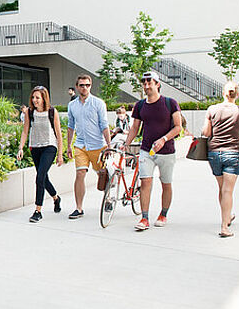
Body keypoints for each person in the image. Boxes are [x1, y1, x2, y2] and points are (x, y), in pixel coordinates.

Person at [122, 71, 182, 231]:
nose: (147, 85)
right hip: (146, 151)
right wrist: (126, 143)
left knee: (166, 183)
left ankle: (163, 214)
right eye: (144, 83)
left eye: (150, 82)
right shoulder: (140, 106)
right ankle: (144, 218)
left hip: (167, 151)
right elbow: (135, 127)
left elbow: (178, 127)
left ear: (158, 84)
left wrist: (163, 139)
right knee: (145, 182)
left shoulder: (170, 103)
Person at [201, 81, 239, 237]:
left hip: (215, 153)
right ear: (237, 95)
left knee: (222, 188)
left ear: (223, 93)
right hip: (233, 153)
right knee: (228, 190)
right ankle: (224, 227)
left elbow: (206, 132)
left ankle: (227, 215)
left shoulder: (212, 110)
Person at [65, 74, 111, 219]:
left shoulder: (98, 103)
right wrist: (69, 146)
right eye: (82, 85)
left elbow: (104, 125)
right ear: (77, 87)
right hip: (81, 146)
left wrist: (109, 145)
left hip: (98, 145)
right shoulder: (72, 105)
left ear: (90, 86)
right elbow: (71, 126)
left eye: (87, 85)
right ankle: (78, 208)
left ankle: (108, 198)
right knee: (80, 174)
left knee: (102, 176)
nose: (84, 88)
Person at [17, 86, 63, 223]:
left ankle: (38, 211)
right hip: (35, 147)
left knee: (40, 177)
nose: (34, 100)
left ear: (44, 98)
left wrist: (60, 154)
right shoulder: (29, 112)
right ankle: (56, 198)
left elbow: (58, 133)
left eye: (37, 97)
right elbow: (25, 131)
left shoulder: (52, 112)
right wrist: (21, 148)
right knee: (43, 178)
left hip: (49, 147)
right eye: (33, 97)